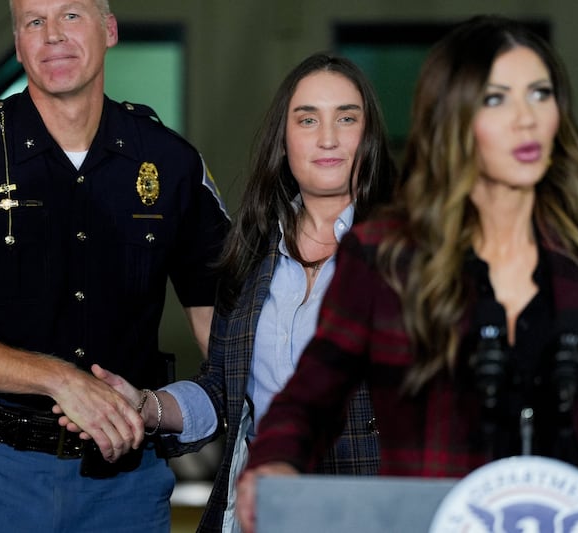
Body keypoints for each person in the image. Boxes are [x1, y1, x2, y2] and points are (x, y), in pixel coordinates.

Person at [236, 14, 578, 532]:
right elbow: (308, 397)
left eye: (540, 94)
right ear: (453, 117)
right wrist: (273, 463)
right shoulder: (386, 257)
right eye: (496, 99)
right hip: (434, 519)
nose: (526, 120)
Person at [0, 0, 229, 531]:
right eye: (34, 22)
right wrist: (59, 380)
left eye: (70, 16)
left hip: (125, 485)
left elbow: (230, 344)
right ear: (19, 45)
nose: (52, 35)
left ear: (109, 29)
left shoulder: (171, 163)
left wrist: (159, 407)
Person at [68, 52, 396, 532]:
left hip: (371, 512)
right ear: (284, 140)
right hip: (258, 512)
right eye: (307, 120)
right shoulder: (250, 256)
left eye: (347, 118)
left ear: (369, 136)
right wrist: (144, 404)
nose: (328, 138)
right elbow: (223, 391)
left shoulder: (412, 255)